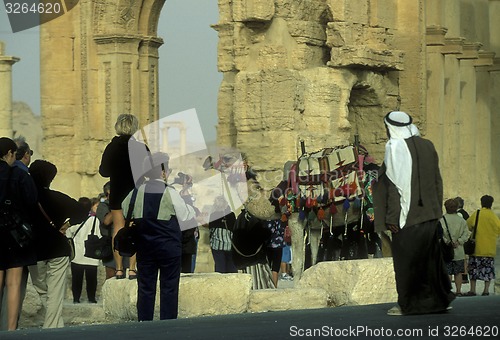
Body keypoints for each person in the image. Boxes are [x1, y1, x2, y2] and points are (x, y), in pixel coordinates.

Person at [372, 111, 454, 316]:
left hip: (406, 217)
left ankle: (407, 304)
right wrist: (436, 210)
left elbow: (395, 186)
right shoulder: (428, 146)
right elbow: (437, 180)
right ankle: (438, 301)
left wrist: (392, 218)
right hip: (429, 215)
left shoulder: (394, 148)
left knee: (406, 263)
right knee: (430, 262)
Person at [121, 152, 196, 321]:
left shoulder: (136, 192)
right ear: (163, 172)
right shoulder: (170, 192)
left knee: (145, 287)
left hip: (145, 247)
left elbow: (126, 210)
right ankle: (167, 325)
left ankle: (144, 322)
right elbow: (185, 215)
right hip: (168, 247)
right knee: (169, 287)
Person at [28, 160, 88, 328]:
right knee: (55, 291)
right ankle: (54, 325)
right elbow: (83, 211)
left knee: (40, 287)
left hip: (35, 251)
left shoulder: (25, 199)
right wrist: (67, 224)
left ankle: (53, 324)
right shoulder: (58, 197)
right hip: (58, 249)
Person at [0, 137, 38, 331]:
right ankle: (11, 328)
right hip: (15, 234)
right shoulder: (21, 175)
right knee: (13, 282)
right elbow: (32, 202)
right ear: (9, 153)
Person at [66, 197, 102, 303]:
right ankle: (92, 298)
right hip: (91, 254)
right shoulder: (95, 220)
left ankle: (76, 299)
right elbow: (99, 235)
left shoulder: (75, 219)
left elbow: (68, 233)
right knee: (92, 279)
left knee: (77, 278)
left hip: (77, 254)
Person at [95, 182, 133, 280]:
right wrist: (116, 206)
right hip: (110, 245)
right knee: (111, 275)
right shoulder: (103, 206)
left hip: (126, 242)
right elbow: (106, 221)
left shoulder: (126, 203)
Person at [464, 195, 500, 296]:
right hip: (489, 249)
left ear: (481, 202)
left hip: (477, 248)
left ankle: (473, 290)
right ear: (491, 203)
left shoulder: (477, 213)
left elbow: (468, 225)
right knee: (488, 271)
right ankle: (486, 290)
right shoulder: (493, 216)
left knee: (474, 270)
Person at [439, 198, 470, 296]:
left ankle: (448, 290)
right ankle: (458, 291)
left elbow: (440, 234)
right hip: (459, 250)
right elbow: (466, 234)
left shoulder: (442, 220)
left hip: (446, 249)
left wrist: (447, 241)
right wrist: (459, 241)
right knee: (458, 272)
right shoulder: (462, 221)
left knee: (448, 271)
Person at [206, 195, 237, 273]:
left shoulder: (214, 215)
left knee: (220, 269)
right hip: (230, 245)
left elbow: (211, 228)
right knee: (231, 268)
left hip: (217, 245)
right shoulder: (231, 214)